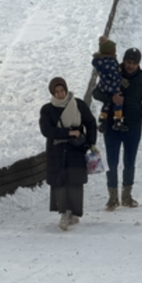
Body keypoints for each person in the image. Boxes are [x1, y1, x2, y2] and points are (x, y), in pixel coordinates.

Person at [94, 47, 142, 211]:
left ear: (138, 64)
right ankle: (112, 197)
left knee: (129, 162)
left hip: (133, 126)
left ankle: (127, 196)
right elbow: (96, 93)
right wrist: (111, 98)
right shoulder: (113, 73)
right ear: (123, 61)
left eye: (134, 63)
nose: (130, 66)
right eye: (128, 62)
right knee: (112, 162)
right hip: (112, 125)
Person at [39, 77, 97, 231]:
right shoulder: (47, 109)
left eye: (62, 90)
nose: (60, 94)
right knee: (60, 182)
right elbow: (47, 130)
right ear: (52, 93)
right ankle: (63, 213)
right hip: (57, 152)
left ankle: (73, 212)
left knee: (75, 182)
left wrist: (89, 143)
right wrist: (68, 132)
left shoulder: (78, 105)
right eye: (56, 92)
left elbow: (91, 123)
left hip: (76, 150)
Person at [92, 36, 128, 132]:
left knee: (107, 102)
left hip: (104, 85)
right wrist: (121, 80)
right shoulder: (110, 63)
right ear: (109, 51)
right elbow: (113, 74)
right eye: (113, 49)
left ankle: (103, 119)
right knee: (118, 100)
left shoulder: (100, 61)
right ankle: (118, 120)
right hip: (112, 86)